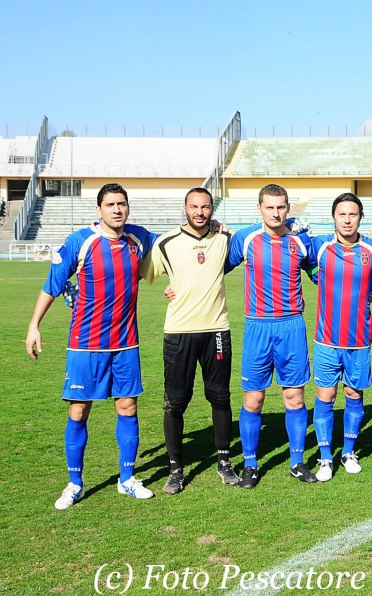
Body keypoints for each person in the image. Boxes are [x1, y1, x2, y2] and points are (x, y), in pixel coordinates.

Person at [26, 183, 156, 509]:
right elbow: (52, 285)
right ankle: (75, 483)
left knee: (128, 407)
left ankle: (127, 479)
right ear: (98, 209)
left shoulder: (139, 238)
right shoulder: (80, 241)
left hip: (125, 343)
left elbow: (175, 245)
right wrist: (34, 326)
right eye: (110, 204)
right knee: (79, 410)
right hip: (85, 344)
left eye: (122, 203)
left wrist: (215, 228)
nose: (117, 209)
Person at [139, 187, 239, 494]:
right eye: (194, 206)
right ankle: (175, 469)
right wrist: (169, 287)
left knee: (220, 397)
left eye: (205, 207)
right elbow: (143, 274)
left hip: (216, 330)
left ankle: (224, 462)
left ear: (212, 209)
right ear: (185, 208)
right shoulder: (166, 242)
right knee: (175, 402)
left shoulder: (225, 237)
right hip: (179, 332)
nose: (200, 212)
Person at [227, 184, 318, 489]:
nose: (276, 213)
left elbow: (319, 274)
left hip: (292, 326)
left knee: (294, 396)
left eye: (281, 207)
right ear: (259, 208)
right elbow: (214, 269)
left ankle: (297, 462)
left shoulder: (300, 240)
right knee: (253, 398)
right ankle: (250, 465)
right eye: (270, 207)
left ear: (288, 208)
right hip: (258, 326)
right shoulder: (246, 238)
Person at [310, 193, 372, 481]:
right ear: (334, 217)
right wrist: (317, 276)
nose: (347, 220)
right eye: (342, 214)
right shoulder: (319, 246)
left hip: (359, 340)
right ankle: (325, 458)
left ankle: (348, 452)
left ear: (360, 217)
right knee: (325, 396)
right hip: (326, 339)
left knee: (354, 394)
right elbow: (303, 261)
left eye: (353, 214)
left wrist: (369, 295)